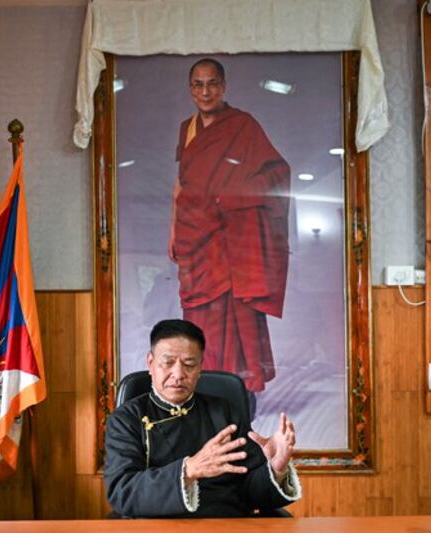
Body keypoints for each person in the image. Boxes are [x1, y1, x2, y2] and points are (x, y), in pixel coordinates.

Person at [169, 58, 290, 400]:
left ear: (223, 87)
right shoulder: (187, 129)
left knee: (234, 313)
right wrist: (173, 231)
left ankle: (239, 396)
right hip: (196, 238)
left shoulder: (242, 125)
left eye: (212, 84)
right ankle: (201, 389)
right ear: (190, 89)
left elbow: (277, 172)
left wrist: (235, 196)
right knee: (199, 317)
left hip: (229, 239)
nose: (205, 91)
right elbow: (181, 185)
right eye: (197, 84)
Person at [104, 319, 301, 518]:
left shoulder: (224, 412)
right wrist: (189, 470)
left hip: (227, 525)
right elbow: (123, 491)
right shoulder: (126, 419)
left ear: (200, 368)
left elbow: (250, 492)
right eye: (168, 363)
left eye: (189, 364)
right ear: (151, 363)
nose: (178, 374)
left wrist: (276, 468)